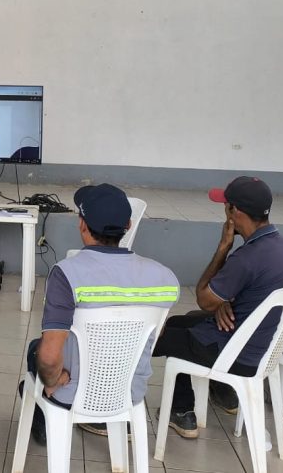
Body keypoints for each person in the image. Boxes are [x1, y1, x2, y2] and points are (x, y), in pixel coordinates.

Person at [19, 183, 178, 444]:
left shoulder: (66, 274)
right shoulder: (164, 277)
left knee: (37, 350)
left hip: (73, 390)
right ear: (128, 225)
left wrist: (53, 380)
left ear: (82, 225)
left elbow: (48, 358)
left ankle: (42, 414)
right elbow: (151, 339)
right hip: (129, 392)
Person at [153, 176, 283, 439]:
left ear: (234, 212)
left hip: (237, 352)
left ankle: (182, 412)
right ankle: (224, 395)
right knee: (181, 323)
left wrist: (223, 247)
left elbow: (203, 297)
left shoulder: (247, 257)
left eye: (226, 206)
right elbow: (251, 291)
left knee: (158, 336)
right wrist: (224, 302)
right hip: (262, 347)